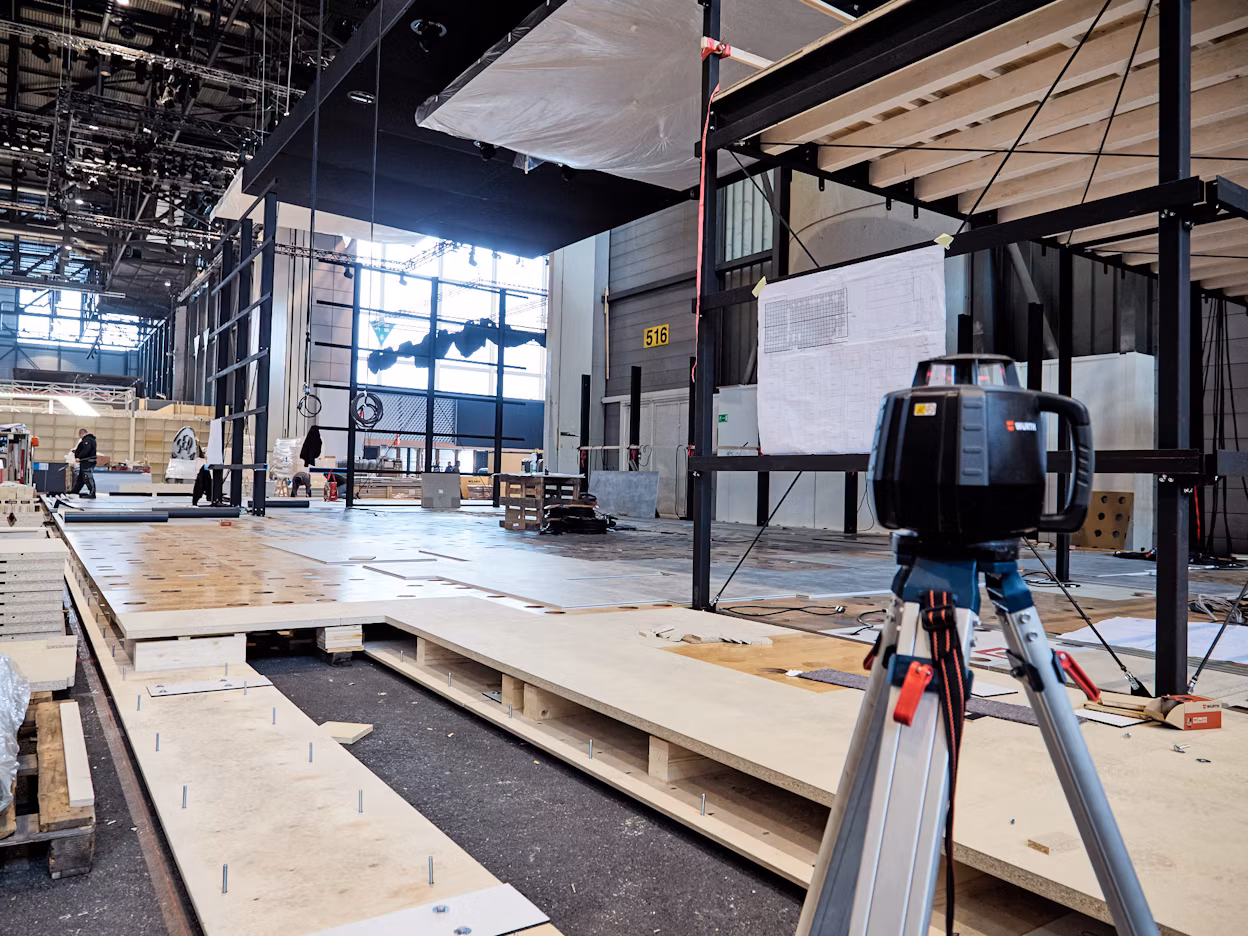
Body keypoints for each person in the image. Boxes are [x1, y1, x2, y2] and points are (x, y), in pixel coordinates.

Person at [71, 428, 97, 498]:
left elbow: (86, 449)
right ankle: (75, 491)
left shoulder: (87, 439)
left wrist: (80, 457)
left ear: (81, 434)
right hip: (85, 461)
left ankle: (92, 493)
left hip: (87, 461)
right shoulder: (89, 439)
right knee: (81, 478)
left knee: (88, 477)